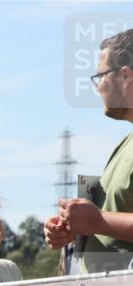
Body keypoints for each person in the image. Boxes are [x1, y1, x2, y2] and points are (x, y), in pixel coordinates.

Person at [46, 28, 133, 273]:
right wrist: (73, 228)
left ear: (125, 76)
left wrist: (96, 220)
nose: (98, 87)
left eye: (101, 76)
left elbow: (101, 221)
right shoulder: (125, 143)